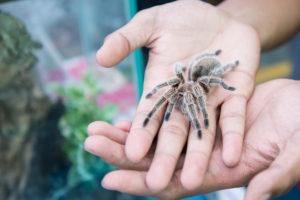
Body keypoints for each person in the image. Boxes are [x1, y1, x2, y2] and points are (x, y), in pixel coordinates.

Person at [84, 0, 300, 199]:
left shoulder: (201, 85)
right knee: (170, 93)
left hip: (207, 71)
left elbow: (212, 79)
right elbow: (173, 79)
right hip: (197, 68)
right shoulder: (179, 82)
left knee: (202, 87)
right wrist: (228, 23)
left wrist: (203, 120)